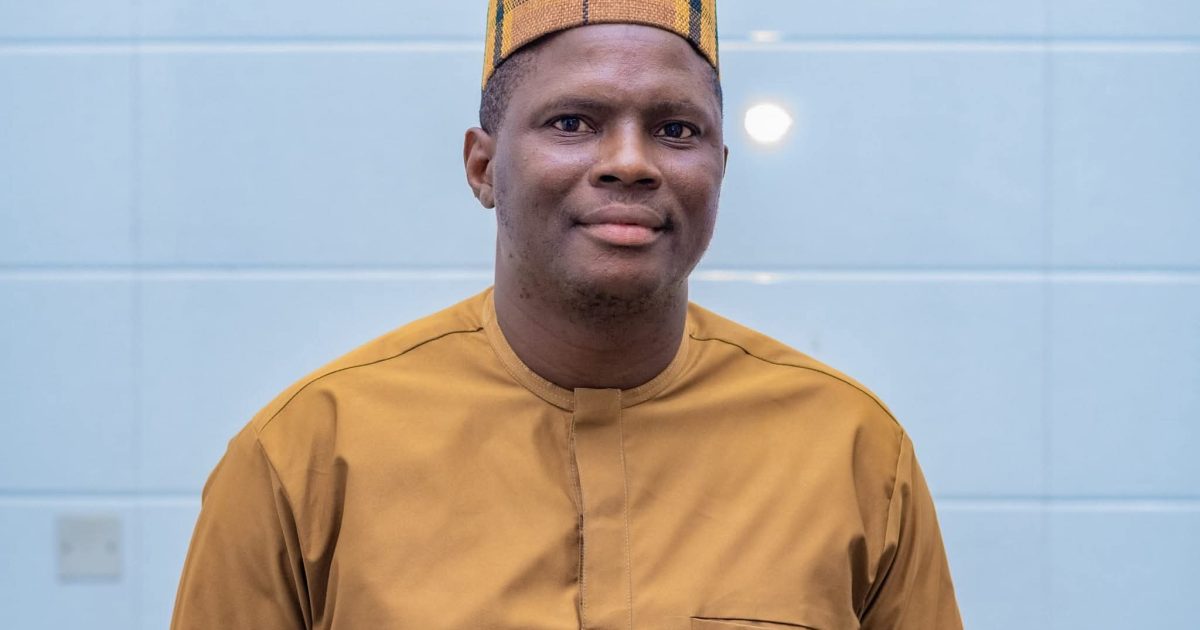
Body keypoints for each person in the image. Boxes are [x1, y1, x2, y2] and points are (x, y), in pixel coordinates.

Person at [170, 2, 962, 629]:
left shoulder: (854, 451)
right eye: (572, 123)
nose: (630, 162)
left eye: (675, 129)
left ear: (719, 170)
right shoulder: (304, 456)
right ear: (484, 167)